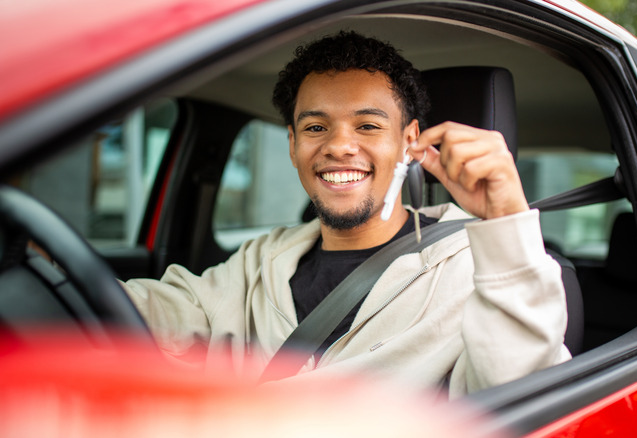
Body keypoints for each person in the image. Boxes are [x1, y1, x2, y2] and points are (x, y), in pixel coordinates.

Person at [123, 31, 570, 398]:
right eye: (316, 127)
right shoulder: (260, 261)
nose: (338, 146)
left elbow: (526, 396)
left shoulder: (479, 269)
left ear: (409, 142)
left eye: (368, 126)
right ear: (294, 146)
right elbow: (152, 313)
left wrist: (506, 221)